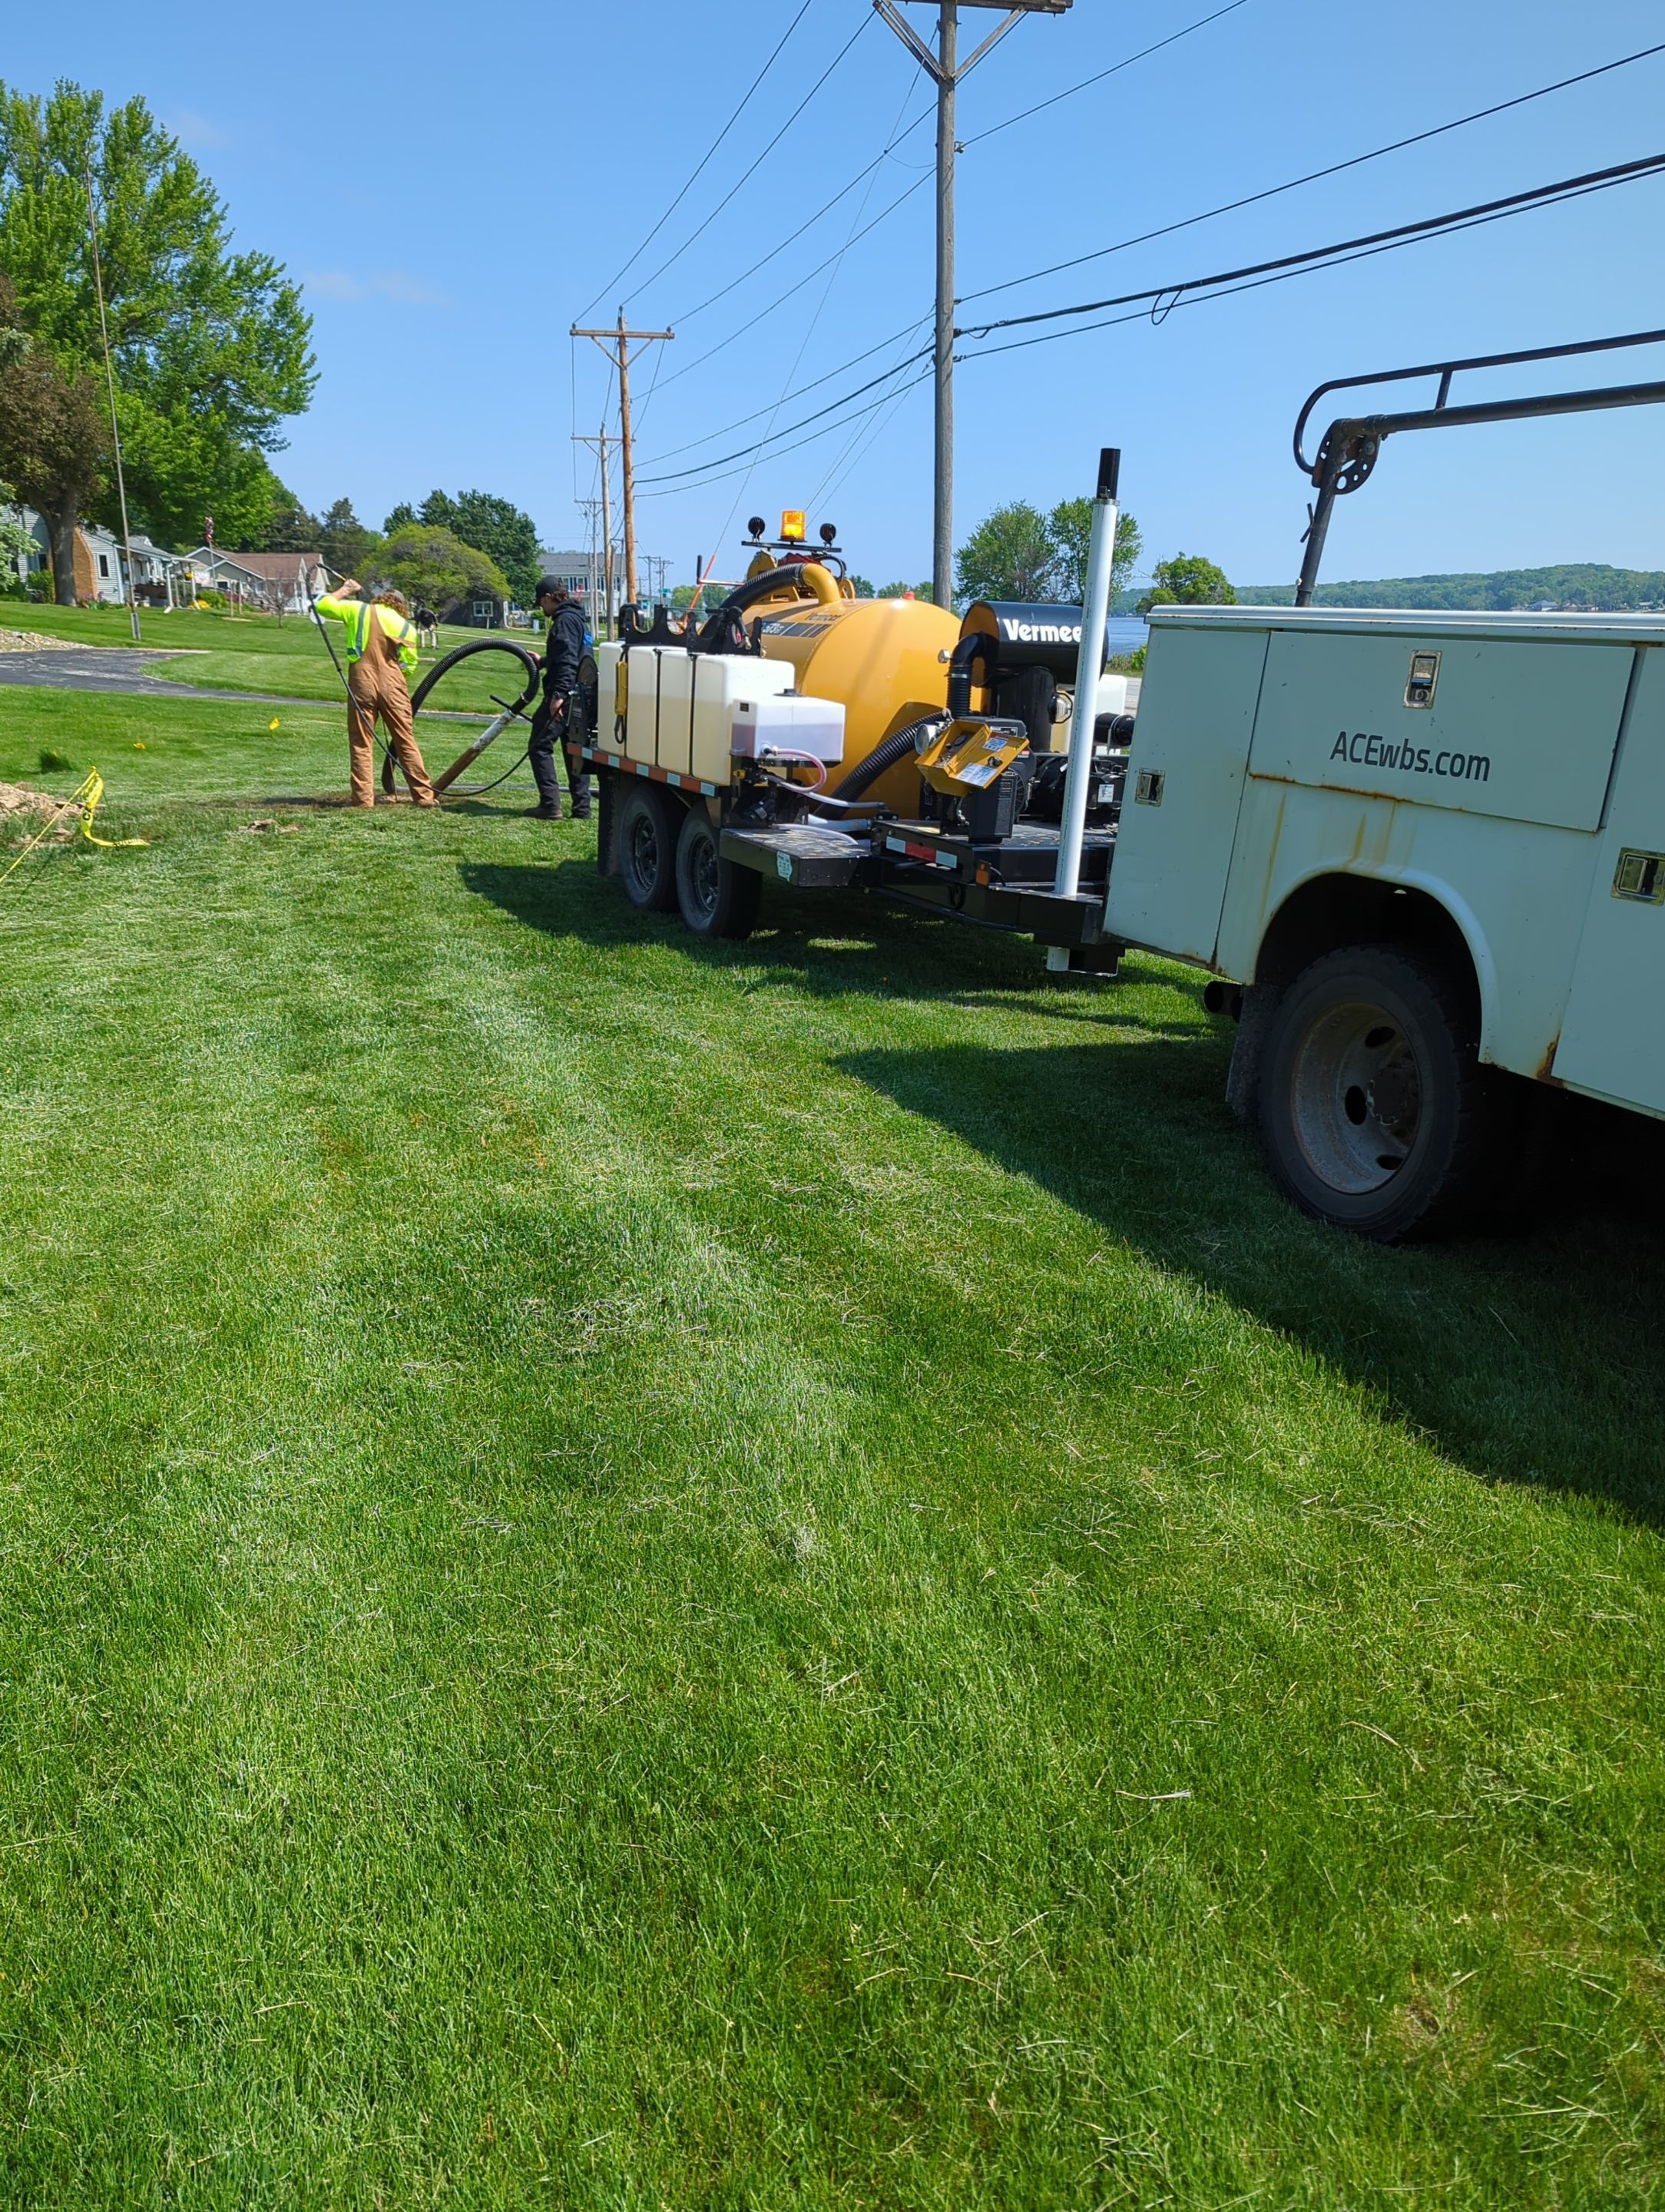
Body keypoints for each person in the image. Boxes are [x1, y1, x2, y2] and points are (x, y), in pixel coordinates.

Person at [313, 579, 436, 808]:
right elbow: (410, 665)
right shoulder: (406, 627)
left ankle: (362, 800)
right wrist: (394, 680)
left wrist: (346, 590)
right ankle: (425, 797)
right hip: (394, 684)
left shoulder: (358, 610)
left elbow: (323, 606)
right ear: (401, 606)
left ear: (380, 599)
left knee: (361, 741)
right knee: (405, 741)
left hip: (362, 681)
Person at [527, 575, 591, 820]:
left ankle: (550, 805)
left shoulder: (563, 622)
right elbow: (571, 656)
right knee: (574, 750)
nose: (541, 608)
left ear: (547, 598)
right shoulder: (577, 619)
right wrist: (543, 662)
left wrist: (558, 696)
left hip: (565, 694)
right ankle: (582, 808)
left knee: (539, 745)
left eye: (540, 603)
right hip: (582, 694)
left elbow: (567, 661)